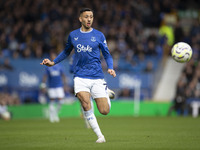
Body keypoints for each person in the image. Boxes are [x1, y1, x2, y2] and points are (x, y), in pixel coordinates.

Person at [40, 8, 116, 143]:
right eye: (86, 17)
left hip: (97, 76)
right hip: (80, 76)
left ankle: (106, 92)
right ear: (80, 19)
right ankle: (100, 136)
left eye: (91, 17)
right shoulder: (73, 35)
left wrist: (110, 68)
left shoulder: (99, 35)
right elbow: (66, 52)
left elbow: (107, 54)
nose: (89, 19)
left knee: (104, 110)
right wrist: (53, 63)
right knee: (86, 105)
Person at [42, 51, 67, 123]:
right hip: (51, 87)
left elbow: (63, 75)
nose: (53, 57)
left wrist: (65, 84)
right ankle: (51, 116)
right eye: (52, 56)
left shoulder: (60, 66)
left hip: (59, 86)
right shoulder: (48, 67)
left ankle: (55, 114)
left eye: (54, 56)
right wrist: (43, 84)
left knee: (61, 101)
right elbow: (45, 76)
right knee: (52, 101)